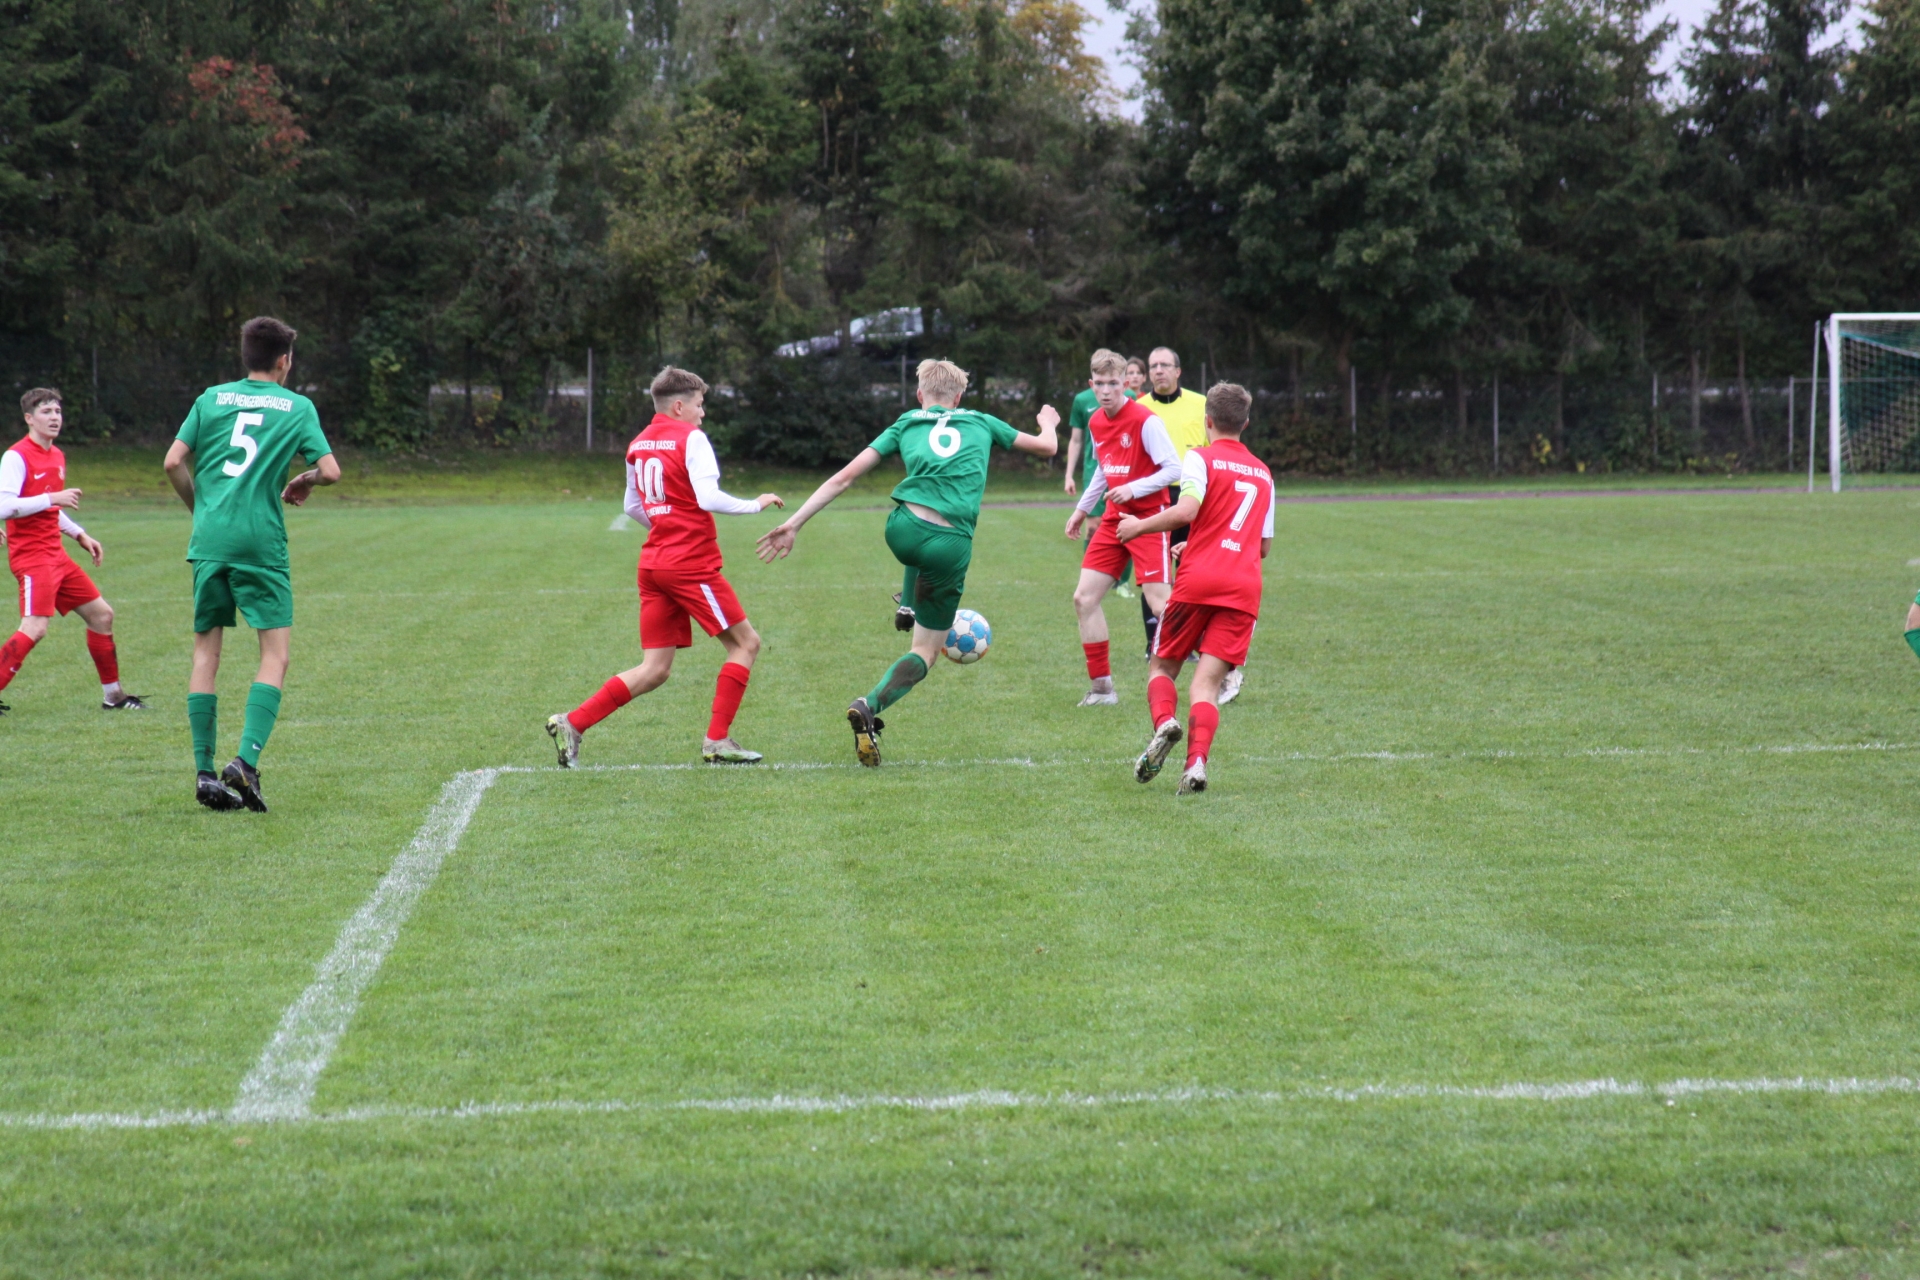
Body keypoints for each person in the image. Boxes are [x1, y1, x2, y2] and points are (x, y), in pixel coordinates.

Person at [758, 358, 1058, 766]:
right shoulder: (983, 421)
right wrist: (1048, 422)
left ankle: (908, 604)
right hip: (949, 544)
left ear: (920, 395)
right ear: (959, 396)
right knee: (926, 651)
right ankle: (870, 704)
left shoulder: (906, 422)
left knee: (917, 543)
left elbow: (843, 478)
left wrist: (793, 524)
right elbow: (1047, 448)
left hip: (901, 530)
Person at [547, 367, 783, 768]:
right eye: (699, 405)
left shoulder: (638, 443)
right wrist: (755, 504)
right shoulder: (692, 438)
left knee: (655, 669)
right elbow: (708, 498)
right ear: (678, 406)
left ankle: (573, 722)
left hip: (654, 565)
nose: (702, 413)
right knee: (746, 644)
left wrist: (666, 526)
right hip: (689, 564)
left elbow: (632, 506)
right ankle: (717, 741)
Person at [164, 316, 339, 812]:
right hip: (259, 542)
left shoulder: (211, 398)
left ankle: (204, 772)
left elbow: (173, 462)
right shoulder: (297, 406)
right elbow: (331, 471)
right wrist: (305, 479)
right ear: (284, 360)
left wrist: (201, 510)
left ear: (246, 356)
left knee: (205, 655)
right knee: (274, 656)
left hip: (209, 541)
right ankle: (245, 760)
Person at [1118, 382, 1273, 795]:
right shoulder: (1263, 472)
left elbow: (1186, 511)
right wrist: (1203, 540)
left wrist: (1138, 526)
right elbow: (1261, 546)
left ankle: (1165, 722)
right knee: (1206, 686)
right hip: (1243, 588)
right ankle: (1196, 764)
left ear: (1207, 421)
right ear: (1245, 423)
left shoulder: (1199, 458)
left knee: (1161, 667)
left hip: (1199, 580)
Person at [0, 388, 145, 715]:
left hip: (57, 556)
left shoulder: (57, 456)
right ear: (28, 418)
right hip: (33, 558)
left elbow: (51, 507)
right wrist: (53, 499)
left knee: (101, 615)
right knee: (35, 628)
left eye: (57, 411)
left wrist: (79, 533)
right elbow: (5, 506)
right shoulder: (16, 456)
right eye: (46, 412)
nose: (54, 417)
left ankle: (114, 697)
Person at [1065, 349, 1182, 706]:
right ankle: (1102, 690)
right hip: (1114, 519)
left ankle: (1224, 662)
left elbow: (1174, 469)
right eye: (1099, 384)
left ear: (1126, 384)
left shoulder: (1145, 420)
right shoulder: (1096, 422)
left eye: (1113, 383)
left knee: (1161, 605)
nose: (1106, 391)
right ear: (1091, 384)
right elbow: (1104, 469)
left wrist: (1134, 488)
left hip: (1148, 519)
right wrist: (1081, 510)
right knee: (1084, 598)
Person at [1146, 345, 1248, 706]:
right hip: (1155, 498)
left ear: (1178, 371)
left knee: (1194, 578)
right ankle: (1158, 643)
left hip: (1195, 495)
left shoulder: (1200, 405)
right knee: (1157, 580)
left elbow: (1220, 454)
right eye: (1153, 365)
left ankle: (1215, 660)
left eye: (1165, 365)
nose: (1158, 370)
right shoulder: (1139, 408)